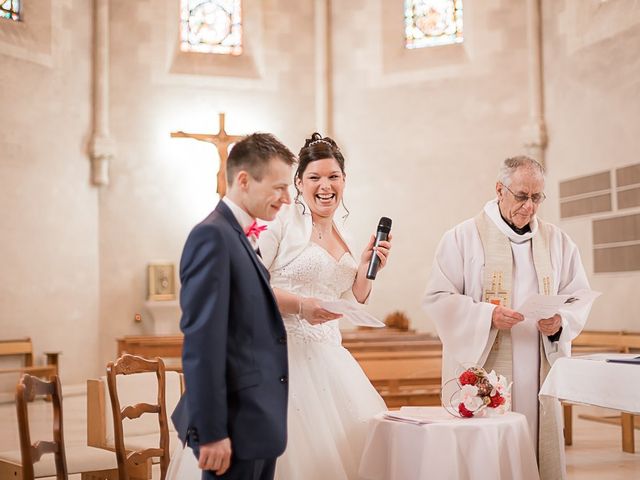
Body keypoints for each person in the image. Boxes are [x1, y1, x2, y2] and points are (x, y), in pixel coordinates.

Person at [422, 156, 593, 480]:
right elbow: (437, 298)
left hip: (539, 368)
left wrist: (561, 322)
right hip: (487, 363)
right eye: (521, 196)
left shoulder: (557, 241)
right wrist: (487, 316)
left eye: (537, 198)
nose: (529, 207)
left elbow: (579, 295)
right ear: (500, 190)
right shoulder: (462, 237)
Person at [258, 133, 390, 480]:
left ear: (344, 181)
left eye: (333, 177)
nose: (325, 186)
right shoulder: (280, 222)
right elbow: (250, 284)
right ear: (299, 182)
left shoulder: (343, 231)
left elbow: (354, 296)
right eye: (315, 177)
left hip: (331, 356)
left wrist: (365, 269)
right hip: (284, 356)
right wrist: (301, 306)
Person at [168, 133, 297, 480]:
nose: (286, 198)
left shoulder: (238, 235)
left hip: (255, 424)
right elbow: (202, 342)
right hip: (232, 426)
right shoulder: (212, 236)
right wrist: (211, 431)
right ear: (243, 180)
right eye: (279, 187)